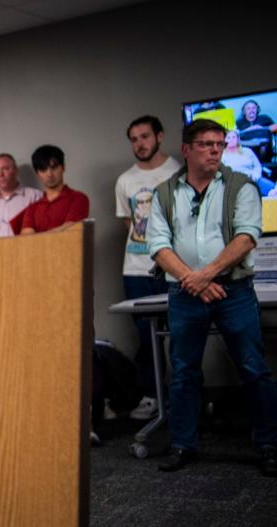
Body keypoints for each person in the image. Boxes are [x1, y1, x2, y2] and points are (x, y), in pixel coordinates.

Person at [146, 118, 277, 475]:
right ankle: (182, 445)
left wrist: (203, 276)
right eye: (206, 144)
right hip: (185, 294)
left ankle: (270, 446)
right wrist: (193, 281)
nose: (215, 150)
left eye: (219, 144)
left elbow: (247, 236)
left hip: (232, 290)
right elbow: (157, 246)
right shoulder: (164, 194)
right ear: (186, 149)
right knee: (184, 372)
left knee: (254, 369)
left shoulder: (242, 186)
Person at [114, 115, 181, 420]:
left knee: (181, 335)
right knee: (145, 338)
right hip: (136, 269)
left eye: (144, 136)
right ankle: (154, 396)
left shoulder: (177, 171)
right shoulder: (125, 180)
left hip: (173, 268)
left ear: (159, 136)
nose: (139, 143)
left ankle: (184, 397)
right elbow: (129, 222)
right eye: (134, 139)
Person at [20, 145, 90, 234]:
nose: (49, 174)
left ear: (63, 167)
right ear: (37, 173)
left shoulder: (78, 198)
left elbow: (71, 231)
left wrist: (37, 237)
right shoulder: (32, 208)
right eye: (43, 169)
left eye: (54, 167)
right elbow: (26, 239)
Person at [0, 153, 42, 239]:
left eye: (5, 169)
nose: (1, 174)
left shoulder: (36, 197)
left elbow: (45, 230)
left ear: (16, 170)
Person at [222, 128, 273, 196]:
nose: (231, 140)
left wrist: (256, 175)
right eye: (228, 138)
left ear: (238, 139)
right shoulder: (222, 155)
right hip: (235, 181)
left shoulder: (247, 151)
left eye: (234, 137)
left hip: (253, 178)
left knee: (273, 189)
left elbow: (257, 166)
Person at [236, 99, 277, 164]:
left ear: (257, 110)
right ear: (244, 111)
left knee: (263, 144)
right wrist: (250, 129)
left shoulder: (264, 118)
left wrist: (262, 128)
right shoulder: (239, 122)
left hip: (264, 151)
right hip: (246, 152)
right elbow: (234, 134)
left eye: (254, 108)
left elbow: (275, 127)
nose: (251, 110)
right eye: (248, 108)